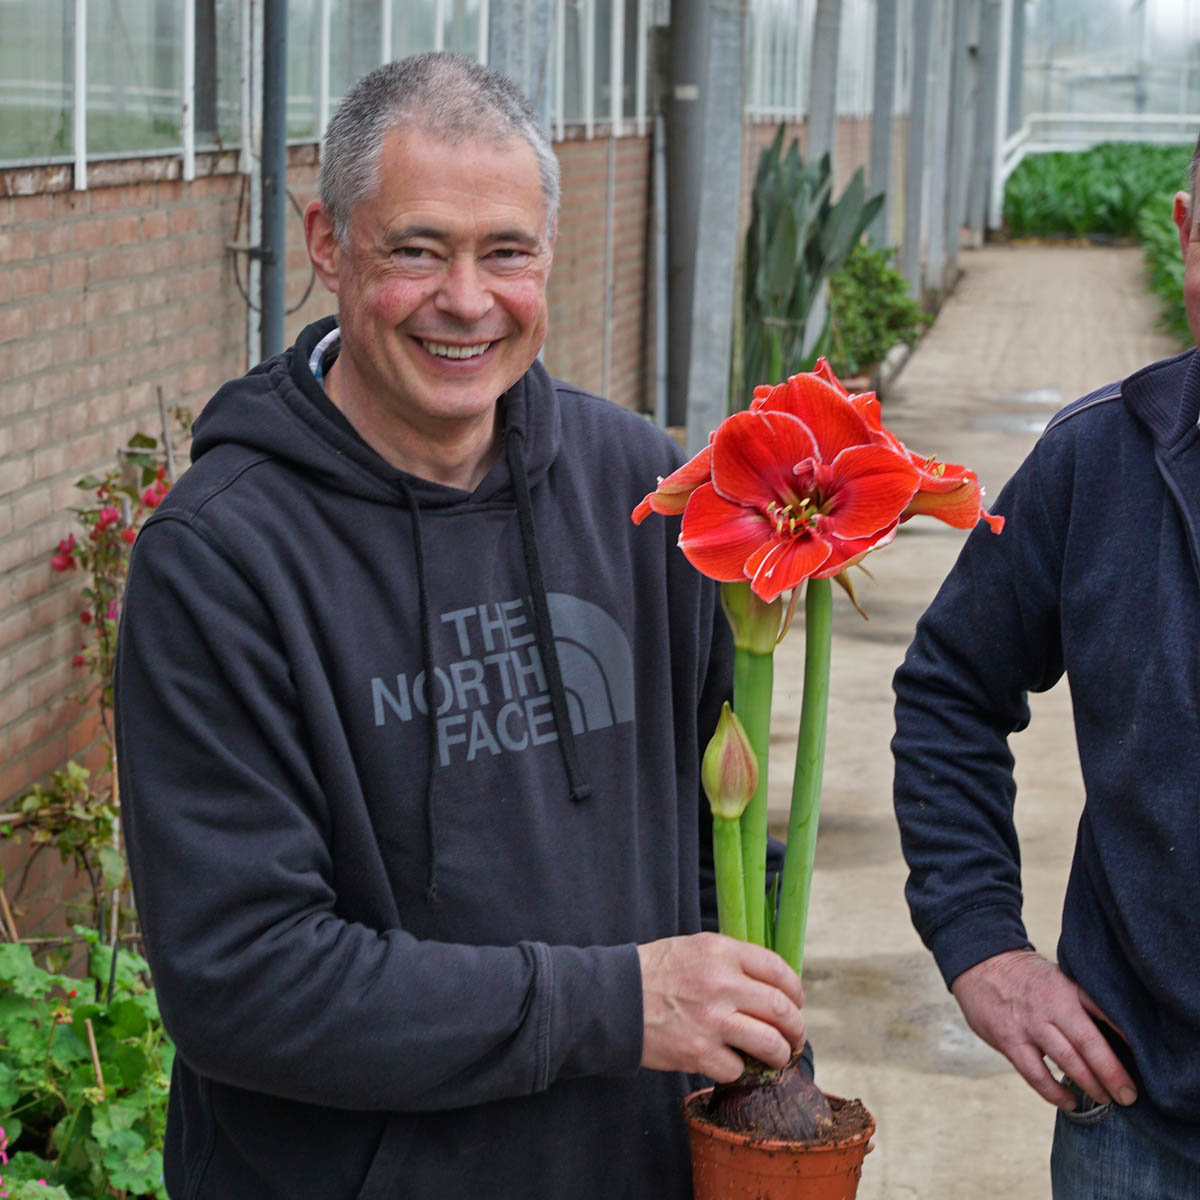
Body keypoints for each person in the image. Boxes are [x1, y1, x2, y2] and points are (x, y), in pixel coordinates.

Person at [114, 52, 807, 1200]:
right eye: (418, 249)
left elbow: (709, 846)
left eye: (507, 252)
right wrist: (621, 1005)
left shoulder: (645, 489)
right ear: (328, 242)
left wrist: (765, 1091)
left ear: (549, 251)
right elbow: (243, 980)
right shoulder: (222, 559)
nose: (469, 301)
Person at [891, 134, 1200, 1197]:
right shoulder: (1100, 460)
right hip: (1139, 1124)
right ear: (1185, 234)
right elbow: (949, 690)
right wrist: (981, 943)